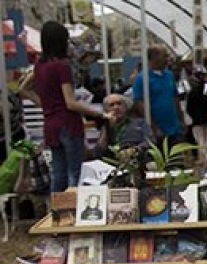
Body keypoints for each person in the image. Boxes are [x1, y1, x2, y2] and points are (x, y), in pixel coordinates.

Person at [29, 21, 108, 192]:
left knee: (58, 173)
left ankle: (57, 213)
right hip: (68, 124)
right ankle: (73, 211)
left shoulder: (39, 66)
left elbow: (23, 88)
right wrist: (100, 113)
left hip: (50, 125)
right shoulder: (62, 66)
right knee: (75, 173)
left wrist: (47, 105)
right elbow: (70, 103)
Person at [132, 44, 185, 147]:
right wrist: (154, 127)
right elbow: (139, 104)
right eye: (164, 56)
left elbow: (175, 98)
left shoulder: (169, 75)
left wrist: (181, 120)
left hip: (174, 128)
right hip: (157, 131)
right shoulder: (142, 78)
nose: (167, 59)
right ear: (153, 58)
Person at [96, 93, 152, 158]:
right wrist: (107, 126)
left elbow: (151, 140)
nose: (116, 107)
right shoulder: (106, 128)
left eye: (119, 103)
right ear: (106, 111)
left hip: (137, 158)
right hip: (114, 161)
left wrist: (135, 149)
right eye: (111, 105)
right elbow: (98, 152)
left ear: (125, 107)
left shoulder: (140, 123)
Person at [185, 65, 207, 163]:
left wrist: (194, 116)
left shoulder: (192, 91)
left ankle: (202, 159)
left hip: (197, 120)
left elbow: (189, 108)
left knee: (200, 140)